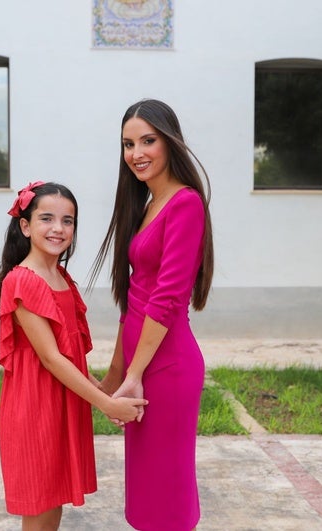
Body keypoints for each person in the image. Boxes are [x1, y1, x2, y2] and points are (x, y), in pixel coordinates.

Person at [0, 181, 148, 531]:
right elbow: (51, 359)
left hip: (63, 404)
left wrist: (105, 392)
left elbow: (70, 360)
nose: (58, 229)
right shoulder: (23, 280)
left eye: (68, 221)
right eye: (46, 218)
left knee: (54, 505)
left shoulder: (61, 277)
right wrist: (105, 405)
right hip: (34, 407)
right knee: (39, 507)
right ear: (25, 226)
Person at [89, 99, 214, 530]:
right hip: (141, 369)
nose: (136, 153)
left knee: (168, 491)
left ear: (170, 142)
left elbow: (166, 300)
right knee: (145, 494)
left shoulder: (185, 204)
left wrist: (135, 375)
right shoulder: (145, 207)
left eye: (148, 140)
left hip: (168, 367)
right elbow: (135, 302)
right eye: (128, 144)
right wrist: (114, 377)